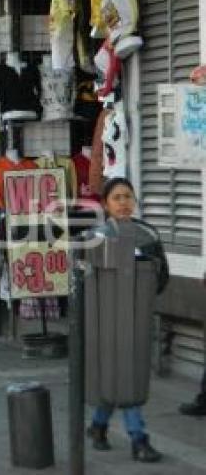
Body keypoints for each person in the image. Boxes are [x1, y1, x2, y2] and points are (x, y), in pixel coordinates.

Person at [84, 177, 167, 463]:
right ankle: (138, 439)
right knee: (119, 373)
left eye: (128, 197)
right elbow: (85, 282)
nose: (123, 202)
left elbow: (161, 276)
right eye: (117, 197)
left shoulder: (148, 236)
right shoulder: (96, 237)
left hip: (136, 318)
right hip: (106, 321)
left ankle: (98, 426)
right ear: (106, 204)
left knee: (124, 374)